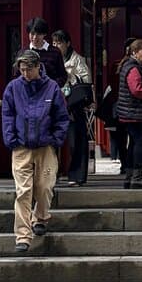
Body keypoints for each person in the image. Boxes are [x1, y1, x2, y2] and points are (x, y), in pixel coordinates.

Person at [0, 49, 69, 254]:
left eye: (29, 69)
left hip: (45, 145)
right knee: (23, 191)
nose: (25, 74)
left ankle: (40, 216)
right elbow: (7, 115)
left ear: (38, 66)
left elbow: (61, 117)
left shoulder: (52, 87)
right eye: (22, 70)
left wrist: (56, 139)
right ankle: (22, 235)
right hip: (21, 145)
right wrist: (10, 139)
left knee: (45, 186)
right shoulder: (13, 88)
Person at [114, 37, 142, 190]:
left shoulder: (129, 66)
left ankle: (130, 177)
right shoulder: (133, 68)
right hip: (135, 112)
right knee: (139, 143)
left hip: (130, 112)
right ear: (135, 52)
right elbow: (136, 89)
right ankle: (137, 177)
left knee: (133, 144)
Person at [54, 27, 94, 185]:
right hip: (56, 103)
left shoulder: (77, 60)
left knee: (75, 141)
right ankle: (52, 173)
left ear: (68, 43)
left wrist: (70, 76)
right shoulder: (53, 58)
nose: (57, 46)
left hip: (72, 105)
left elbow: (86, 80)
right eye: (54, 42)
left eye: (60, 43)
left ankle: (77, 175)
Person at [26, 18, 67, 86]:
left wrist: (51, 86)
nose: (35, 37)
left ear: (44, 34)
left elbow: (62, 76)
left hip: (49, 93)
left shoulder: (55, 52)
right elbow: (17, 77)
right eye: (32, 34)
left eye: (38, 34)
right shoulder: (23, 53)